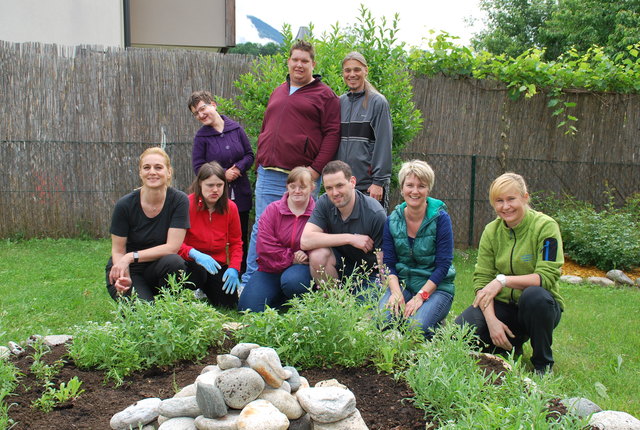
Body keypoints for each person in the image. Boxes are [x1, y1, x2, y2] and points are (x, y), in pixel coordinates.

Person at [241, 39, 341, 289]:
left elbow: (332, 134)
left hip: (301, 178)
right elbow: (267, 127)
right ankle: (252, 279)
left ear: (313, 64)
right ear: (288, 61)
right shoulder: (279, 90)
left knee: (302, 231)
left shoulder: (325, 95)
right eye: (295, 59)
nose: (299, 64)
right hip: (269, 172)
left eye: (304, 61)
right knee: (261, 228)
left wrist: (316, 169)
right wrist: (261, 158)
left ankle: (298, 280)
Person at [455, 172, 564, 374]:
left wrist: (502, 280)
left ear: (525, 197)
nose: (505, 207)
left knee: (535, 296)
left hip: (538, 308)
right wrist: (492, 321)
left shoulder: (545, 227)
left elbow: (546, 277)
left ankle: (543, 364)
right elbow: (482, 281)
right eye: (499, 201)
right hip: (503, 306)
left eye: (511, 199)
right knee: (460, 332)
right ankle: (510, 345)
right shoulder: (491, 231)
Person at [378, 160, 455, 339]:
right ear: (402, 188)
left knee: (416, 329)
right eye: (410, 185)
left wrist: (421, 297)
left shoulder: (441, 219)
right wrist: (396, 293)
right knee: (383, 320)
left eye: (421, 186)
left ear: (428, 190)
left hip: (436, 287)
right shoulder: (392, 220)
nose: (415, 191)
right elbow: (389, 262)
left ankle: (436, 326)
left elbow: (443, 266)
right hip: (404, 284)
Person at [106, 147, 189, 301]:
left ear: (169, 172)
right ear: (140, 173)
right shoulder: (124, 205)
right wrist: (124, 277)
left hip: (158, 268)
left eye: (158, 167)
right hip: (127, 269)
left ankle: (167, 303)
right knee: (145, 316)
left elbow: (172, 247)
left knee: (174, 261)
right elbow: (118, 250)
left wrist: (131, 256)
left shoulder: (179, 201)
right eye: (146, 167)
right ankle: (139, 297)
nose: (152, 172)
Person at [188, 90, 254, 272]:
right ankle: (210, 272)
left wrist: (238, 169)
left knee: (240, 237)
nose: (201, 115)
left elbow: (249, 155)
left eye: (203, 108)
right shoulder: (201, 137)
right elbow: (198, 166)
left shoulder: (236, 129)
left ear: (213, 105)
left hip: (240, 193)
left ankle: (239, 273)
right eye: (196, 113)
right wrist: (223, 174)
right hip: (213, 196)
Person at [300, 160, 386, 294]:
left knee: (365, 311)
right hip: (339, 267)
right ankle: (336, 306)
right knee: (317, 256)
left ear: (352, 182)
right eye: (329, 188)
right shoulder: (324, 202)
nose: (334, 193)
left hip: (369, 274)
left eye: (339, 185)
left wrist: (384, 296)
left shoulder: (374, 213)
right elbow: (305, 241)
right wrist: (350, 238)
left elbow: (383, 261)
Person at [238, 167, 316, 312]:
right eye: (293, 186)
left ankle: (297, 302)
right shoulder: (273, 210)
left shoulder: (318, 212)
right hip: (271, 267)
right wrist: (292, 257)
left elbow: (323, 242)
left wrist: (308, 255)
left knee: (293, 281)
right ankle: (280, 299)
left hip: (301, 270)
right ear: (287, 186)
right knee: (247, 308)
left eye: (302, 187)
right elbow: (263, 246)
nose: (297, 191)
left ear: (312, 187)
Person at [178, 162, 241, 308]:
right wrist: (194, 254)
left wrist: (234, 267)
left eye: (219, 185)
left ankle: (207, 289)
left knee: (229, 304)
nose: (215, 190)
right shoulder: (186, 204)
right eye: (210, 185)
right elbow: (176, 243)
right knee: (198, 274)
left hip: (216, 264)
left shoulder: (230, 208)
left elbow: (236, 242)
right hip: (190, 262)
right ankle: (192, 290)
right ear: (200, 184)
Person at [336, 52, 393, 210]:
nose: (352, 74)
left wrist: (378, 182)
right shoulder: (339, 103)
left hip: (368, 188)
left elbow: (384, 143)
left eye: (357, 70)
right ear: (343, 73)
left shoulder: (377, 103)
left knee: (370, 235)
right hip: (343, 187)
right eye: (347, 71)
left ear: (365, 71)